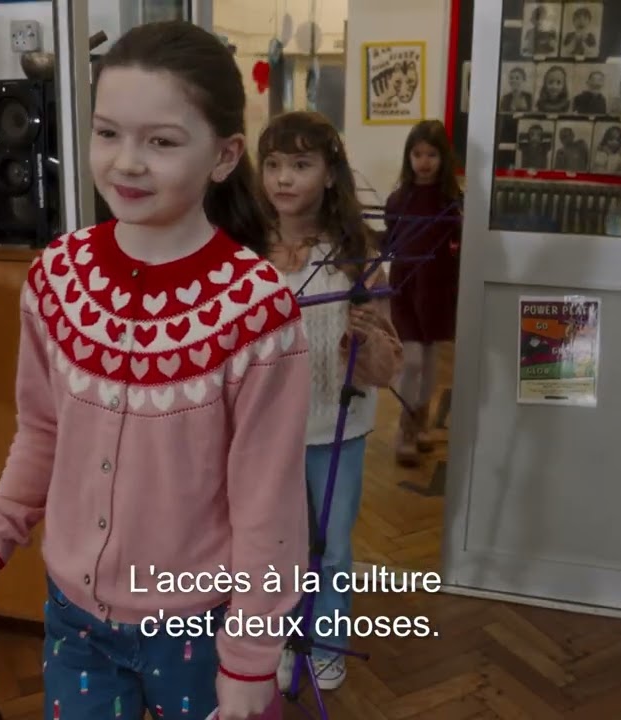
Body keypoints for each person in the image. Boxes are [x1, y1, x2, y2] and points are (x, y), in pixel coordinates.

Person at [0, 21, 312, 720]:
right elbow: (42, 431)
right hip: (74, 619)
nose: (126, 163)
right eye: (108, 133)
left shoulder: (259, 311)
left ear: (225, 156)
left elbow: (270, 509)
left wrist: (252, 656)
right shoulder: (57, 276)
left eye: (161, 142)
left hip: (197, 630)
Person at [255, 111, 403, 691]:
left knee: (331, 547)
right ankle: (275, 639)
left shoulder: (357, 254)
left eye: (300, 164)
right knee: (272, 545)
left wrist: (363, 342)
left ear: (330, 174)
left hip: (336, 427)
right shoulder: (245, 252)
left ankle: (325, 643)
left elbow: (388, 365)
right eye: (272, 165)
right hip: (266, 429)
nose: (283, 179)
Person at [383, 120, 463, 467]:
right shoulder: (399, 198)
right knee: (412, 359)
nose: (424, 162)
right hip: (406, 288)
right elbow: (390, 243)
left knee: (430, 362)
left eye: (431, 154)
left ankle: (422, 422)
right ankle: (405, 428)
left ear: (443, 158)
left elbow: (459, 246)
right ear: (409, 157)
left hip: (438, 290)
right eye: (417, 154)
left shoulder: (452, 201)